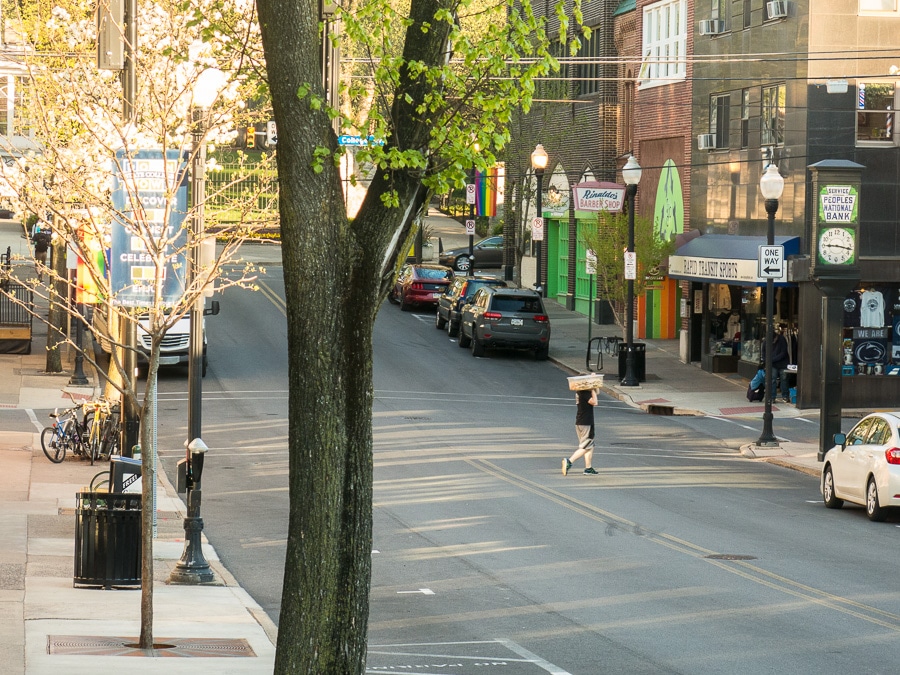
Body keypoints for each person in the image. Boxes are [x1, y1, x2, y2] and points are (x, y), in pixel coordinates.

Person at [563, 388, 598, 476]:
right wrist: (593, 387)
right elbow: (595, 402)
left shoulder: (580, 392)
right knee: (585, 446)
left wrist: (594, 386)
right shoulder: (585, 393)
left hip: (580, 422)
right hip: (586, 423)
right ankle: (569, 461)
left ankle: (588, 468)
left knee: (590, 446)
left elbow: (597, 392)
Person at [761, 325, 790, 402]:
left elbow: (783, 352)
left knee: (784, 379)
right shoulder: (766, 340)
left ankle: (785, 396)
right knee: (772, 379)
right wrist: (766, 360)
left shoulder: (781, 339)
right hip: (773, 363)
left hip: (782, 362)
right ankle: (772, 397)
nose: (773, 341)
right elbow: (763, 352)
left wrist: (770, 360)